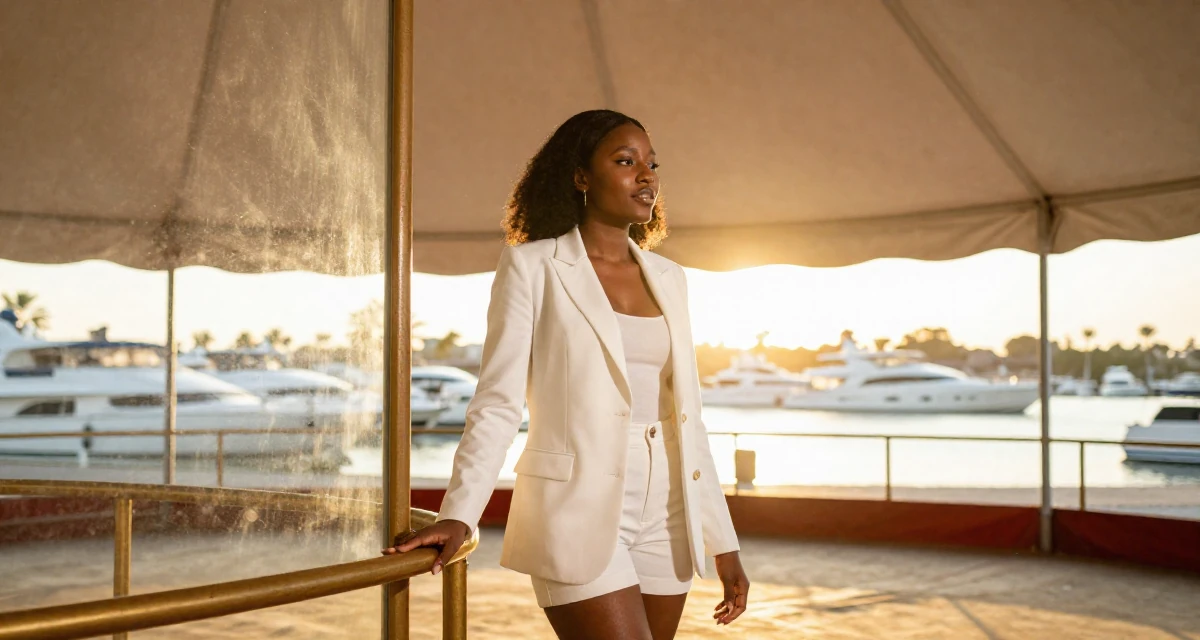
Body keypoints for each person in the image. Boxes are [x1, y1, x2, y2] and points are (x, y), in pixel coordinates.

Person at [383, 109, 749, 639]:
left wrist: (723, 542)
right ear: (581, 176)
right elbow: (499, 403)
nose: (646, 175)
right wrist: (459, 514)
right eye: (625, 161)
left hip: (669, 512)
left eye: (652, 163)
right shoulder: (533, 267)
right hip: (575, 507)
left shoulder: (671, 278)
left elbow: (688, 421)